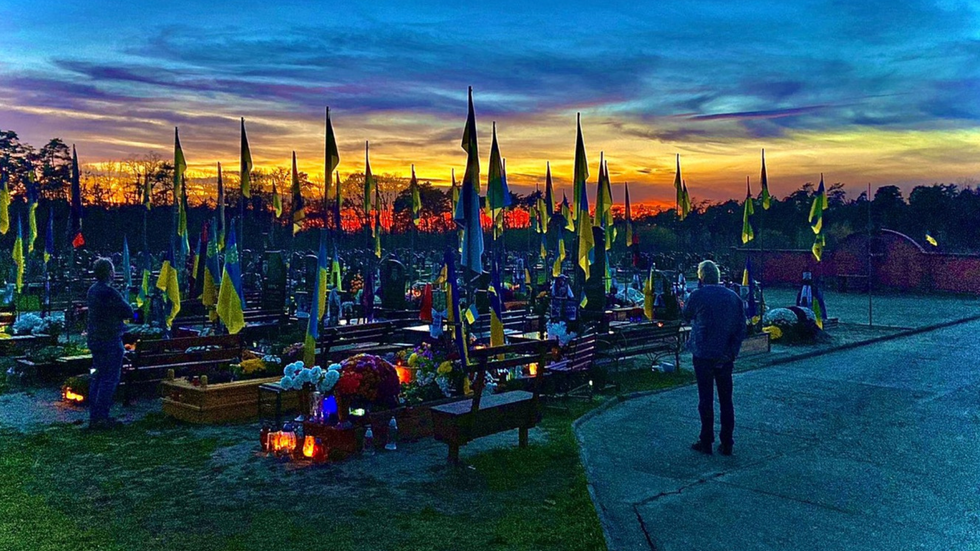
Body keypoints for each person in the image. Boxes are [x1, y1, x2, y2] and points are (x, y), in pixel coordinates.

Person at [681, 260, 746, 456]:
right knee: (726, 400)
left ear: (701, 276)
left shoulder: (697, 295)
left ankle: (706, 440)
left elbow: (686, 315)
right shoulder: (734, 298)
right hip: (725, 356)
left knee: (705, 399)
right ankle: (727, 442)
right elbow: (741, 328)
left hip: (703, 354)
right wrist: (732, 352)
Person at [86, 258, 134, 430]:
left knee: (97, 377)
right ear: (110, 273)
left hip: (95, 339)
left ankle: (94, 416)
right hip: (110, 339)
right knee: (109, 379)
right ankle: (102, 417)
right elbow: (129, 311)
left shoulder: (92, 290)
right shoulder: (109, 292)